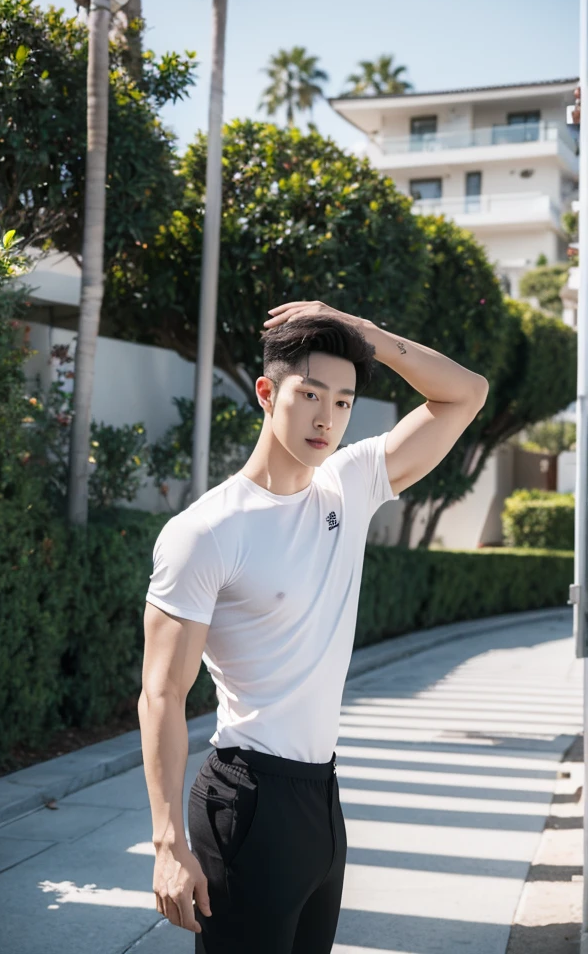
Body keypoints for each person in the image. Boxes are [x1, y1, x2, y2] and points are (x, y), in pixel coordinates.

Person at [138, 299, 488, 954]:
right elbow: (160, 693)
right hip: (246, 802)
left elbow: (465, 395)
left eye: (345, 402)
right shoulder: (208, 532)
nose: (327, 418)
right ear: (268, 394)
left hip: (321, 800)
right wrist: (167, 845)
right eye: (311, 395)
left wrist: (368, 334)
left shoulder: (349, 484)